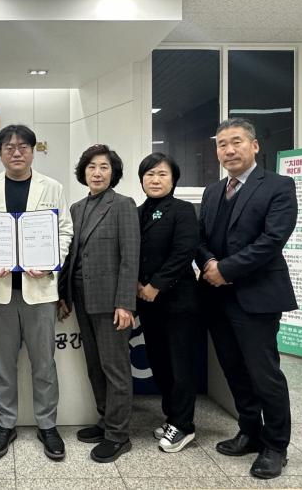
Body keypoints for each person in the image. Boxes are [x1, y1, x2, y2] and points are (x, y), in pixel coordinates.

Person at [196, 118, 297, 480]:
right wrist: (209, 263)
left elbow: (272, 240)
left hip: (257, 297)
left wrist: (225, 269)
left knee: (264, 373)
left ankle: (276, 446)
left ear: (254, 146)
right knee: (234, 371)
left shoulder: (279, 186)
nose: (229, 149)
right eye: (222, 144)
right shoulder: (212, 192)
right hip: (217, 298)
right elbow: (200, 237)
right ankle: (250, 431)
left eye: (236, 141)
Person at [0, 124, 73, 461]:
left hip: (39, 291)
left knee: (44, 364)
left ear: (33, 151)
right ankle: (5, 424)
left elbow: (64, 231)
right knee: (2, 365)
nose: (16, 152)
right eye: (9, 147)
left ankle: (47, 425)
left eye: (23, 146)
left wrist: (50, 261)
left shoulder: (52, 188)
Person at [57, 144, 139, 463]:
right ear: (83, 172)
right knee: (95, 366)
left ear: (113, 172)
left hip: (111, 301)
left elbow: (130, 258)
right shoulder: (77, 208)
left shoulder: (123, 205)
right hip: (81, 298)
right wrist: (64, 295)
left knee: (115, 368)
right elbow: (70, 256)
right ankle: (106, 420)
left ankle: (119, 435)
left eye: (104, 167)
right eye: (91, 167)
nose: (97, 172)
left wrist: (125, 303)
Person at [136, 152, 199, 453]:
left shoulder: (183, 210)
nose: (155, 179)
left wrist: (155, 285)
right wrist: (138, 284)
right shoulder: (137, 212)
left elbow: (184, 252)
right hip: (147, 301)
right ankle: (171, 416)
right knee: (159, 361)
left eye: (162, 174)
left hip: (177, 300)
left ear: (173, 180)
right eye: (149, 174)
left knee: (180, 364)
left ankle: (184, 425)